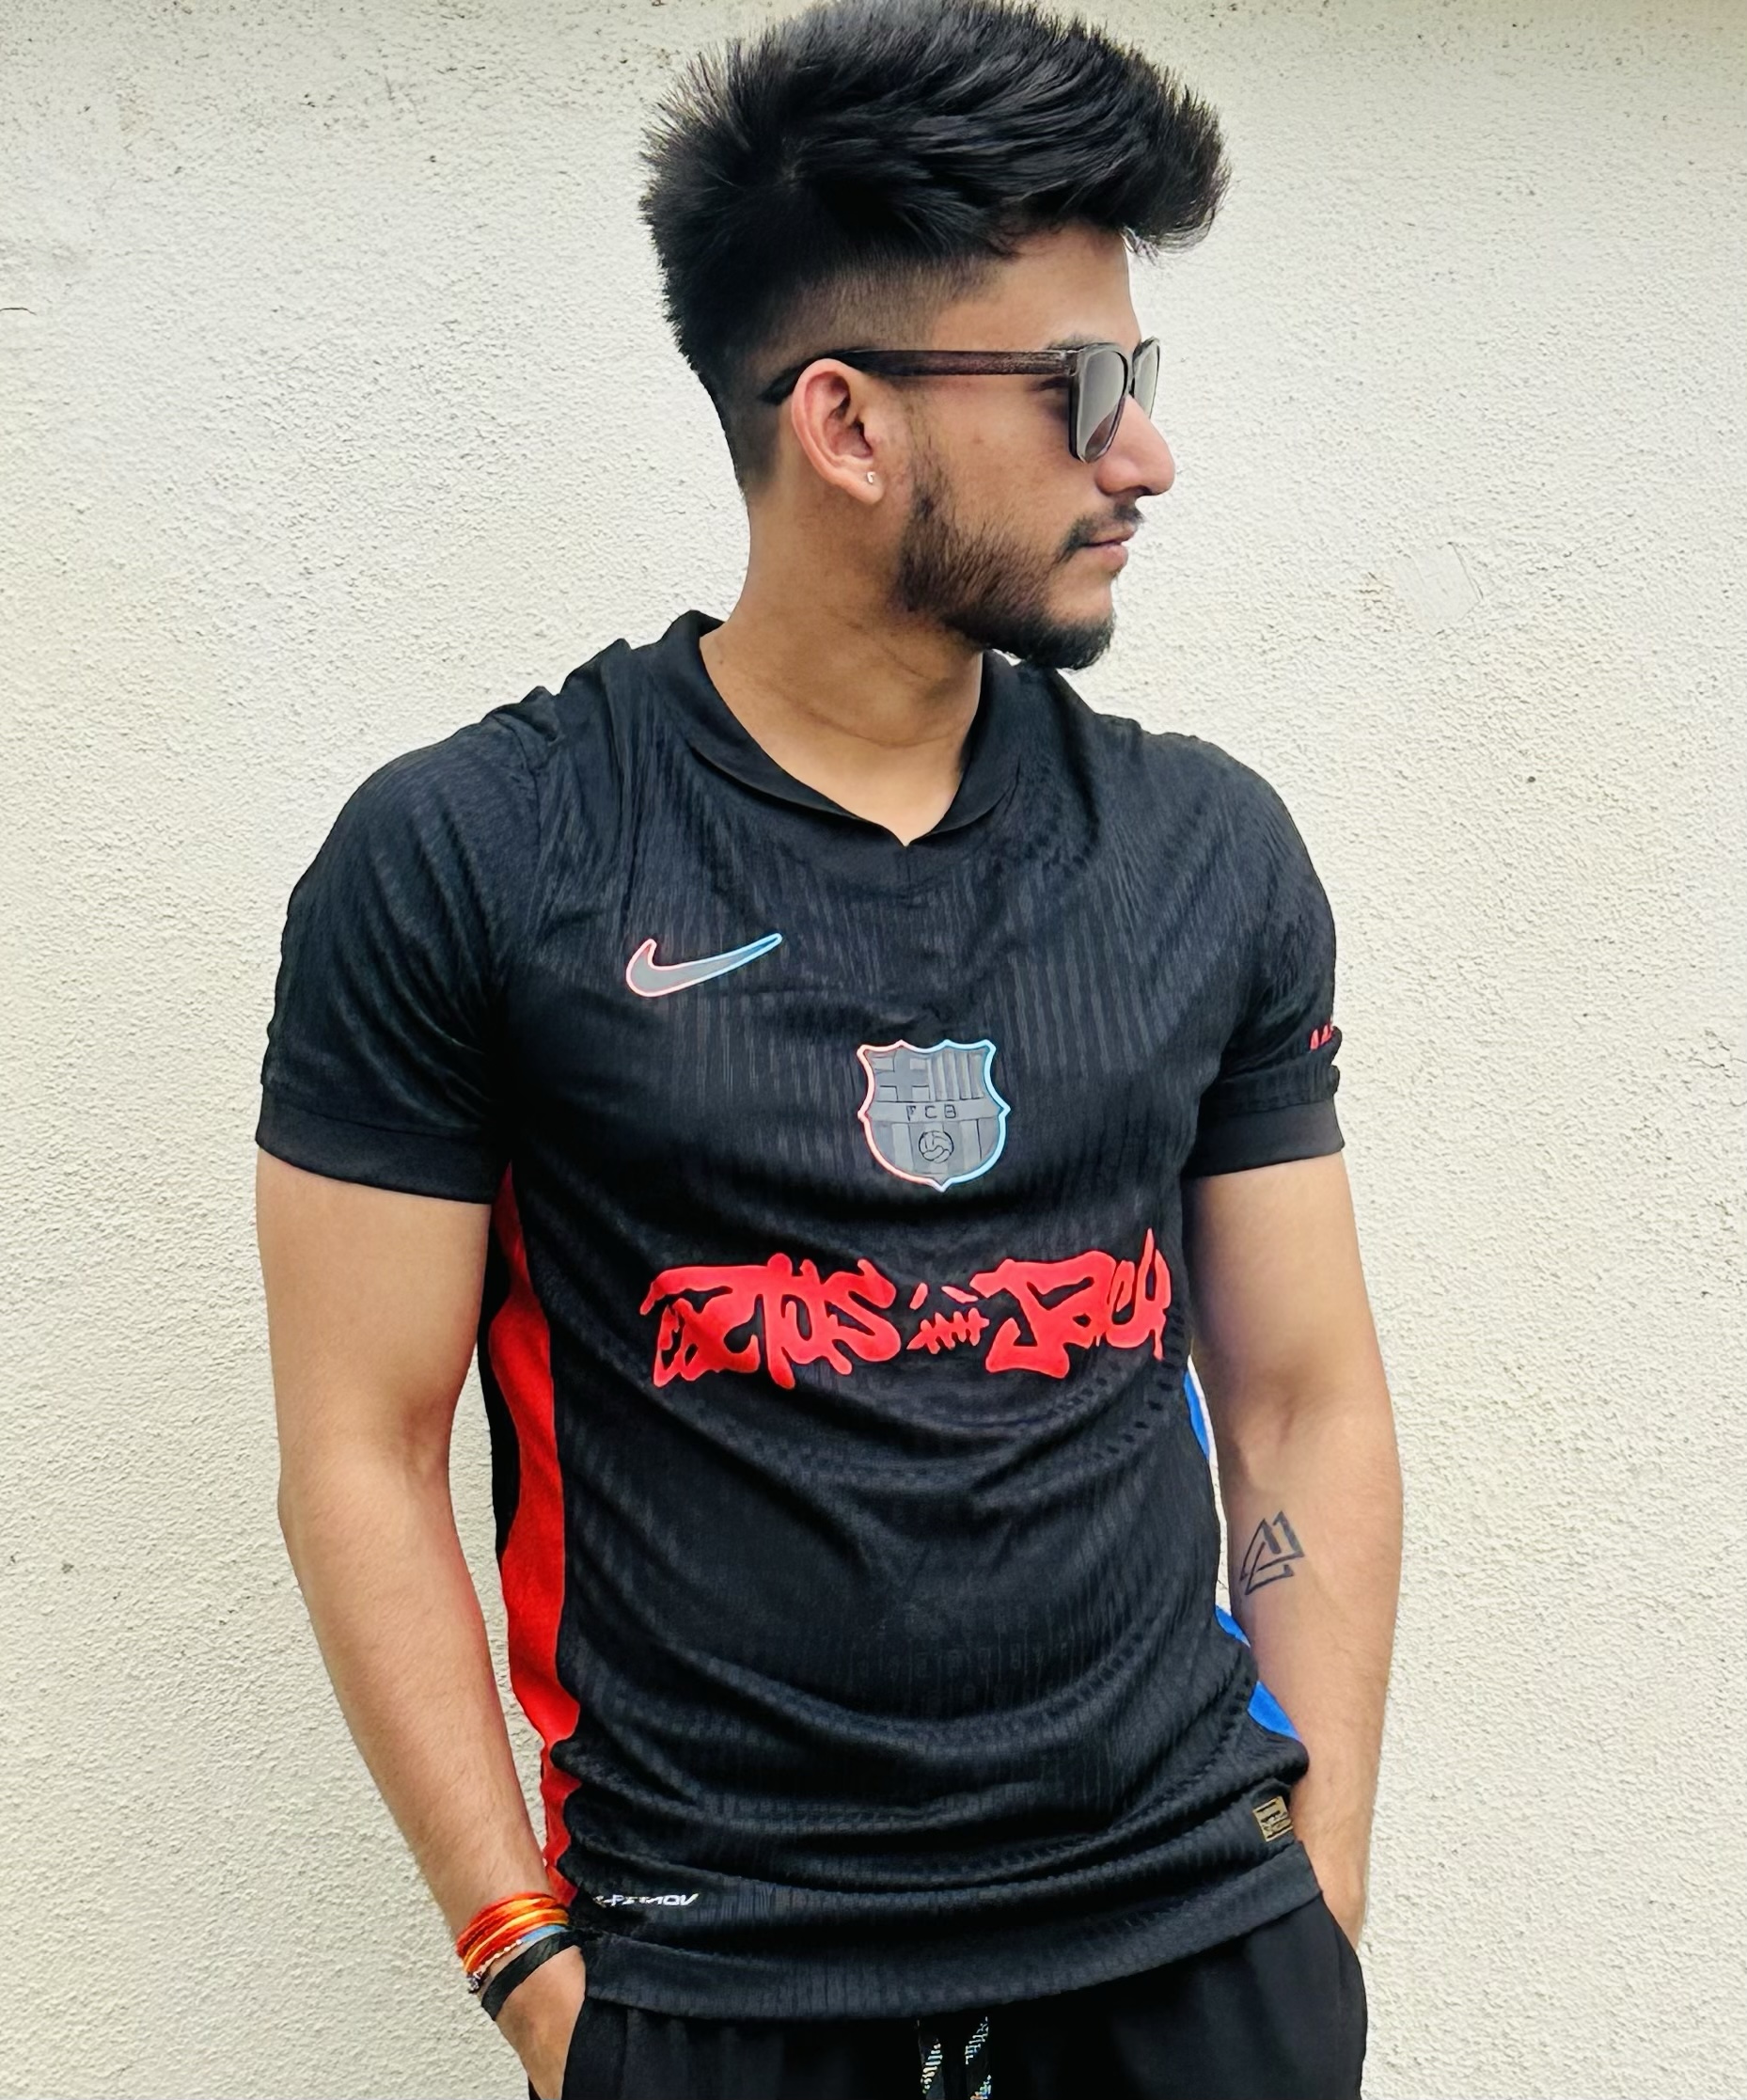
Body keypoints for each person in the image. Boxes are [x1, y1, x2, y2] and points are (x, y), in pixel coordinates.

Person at [254, 2, 1403, 2094]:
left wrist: (1309, 1904)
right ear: (846, 425)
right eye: (1078, 388)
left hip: (1192, 1954)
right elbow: (360, 1443)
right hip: (727, 1980)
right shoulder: (477, 855)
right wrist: (535, 1973)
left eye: (1139, 380)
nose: (1142, 454)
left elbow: (1300, 1391)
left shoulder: (1201, 849)